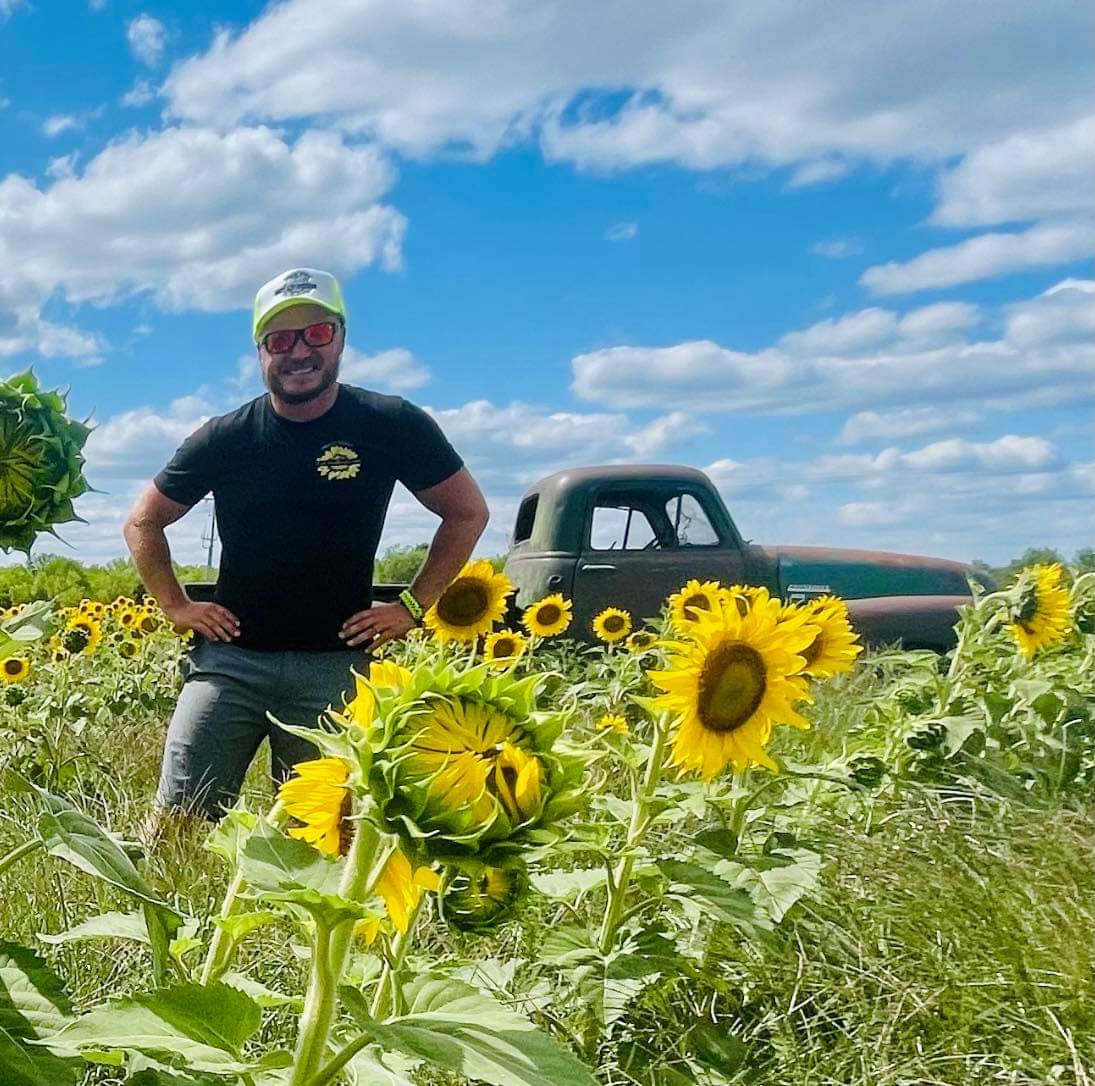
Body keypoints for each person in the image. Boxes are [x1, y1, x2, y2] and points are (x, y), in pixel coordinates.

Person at [124, 267, 488, 820]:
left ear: (340, 336)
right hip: (230, 664)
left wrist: (413, 608)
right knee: (181, 819)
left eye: (316, 333)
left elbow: (466, 512)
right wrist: (176, 605)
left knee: (319, 831)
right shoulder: (227, 437)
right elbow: (142, 523)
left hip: (334, 669)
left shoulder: (390, 424)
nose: (298, 351)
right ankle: (180, 906)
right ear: (260, 350)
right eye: (280, 339)